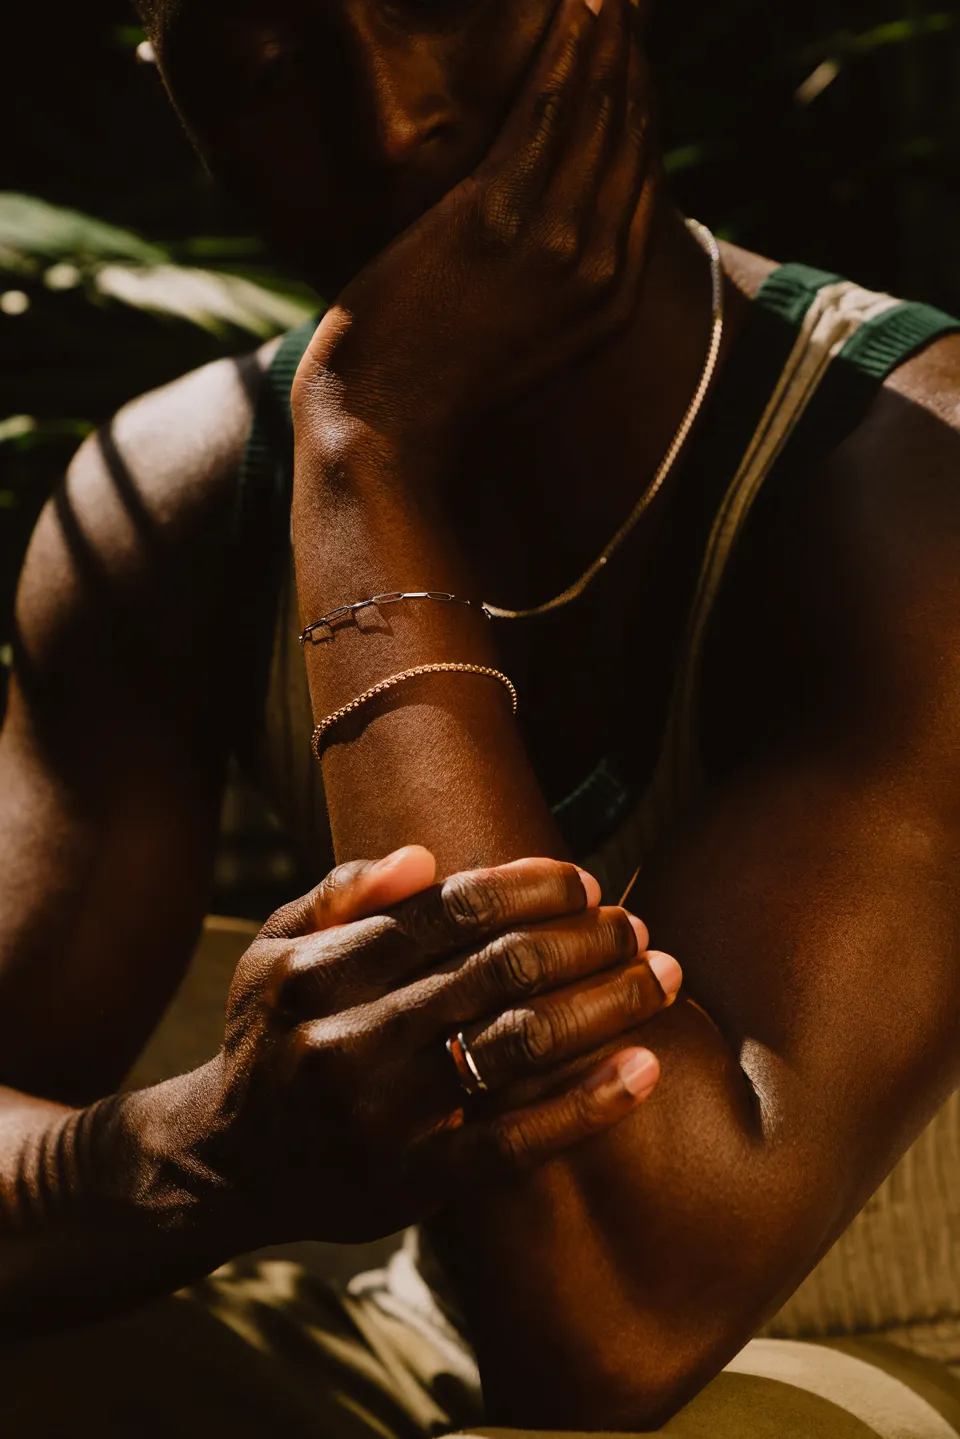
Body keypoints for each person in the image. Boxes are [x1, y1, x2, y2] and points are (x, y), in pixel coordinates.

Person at [1, 0, 960, 1434]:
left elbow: (611, 1318)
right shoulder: (183, 503)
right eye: (270, 46)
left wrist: (370, 439)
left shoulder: (908, 478)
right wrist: (200, 1146)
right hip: (421, 1352)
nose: (388, 123)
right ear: (166, 65)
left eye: (444, 6)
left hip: (890, 1357)